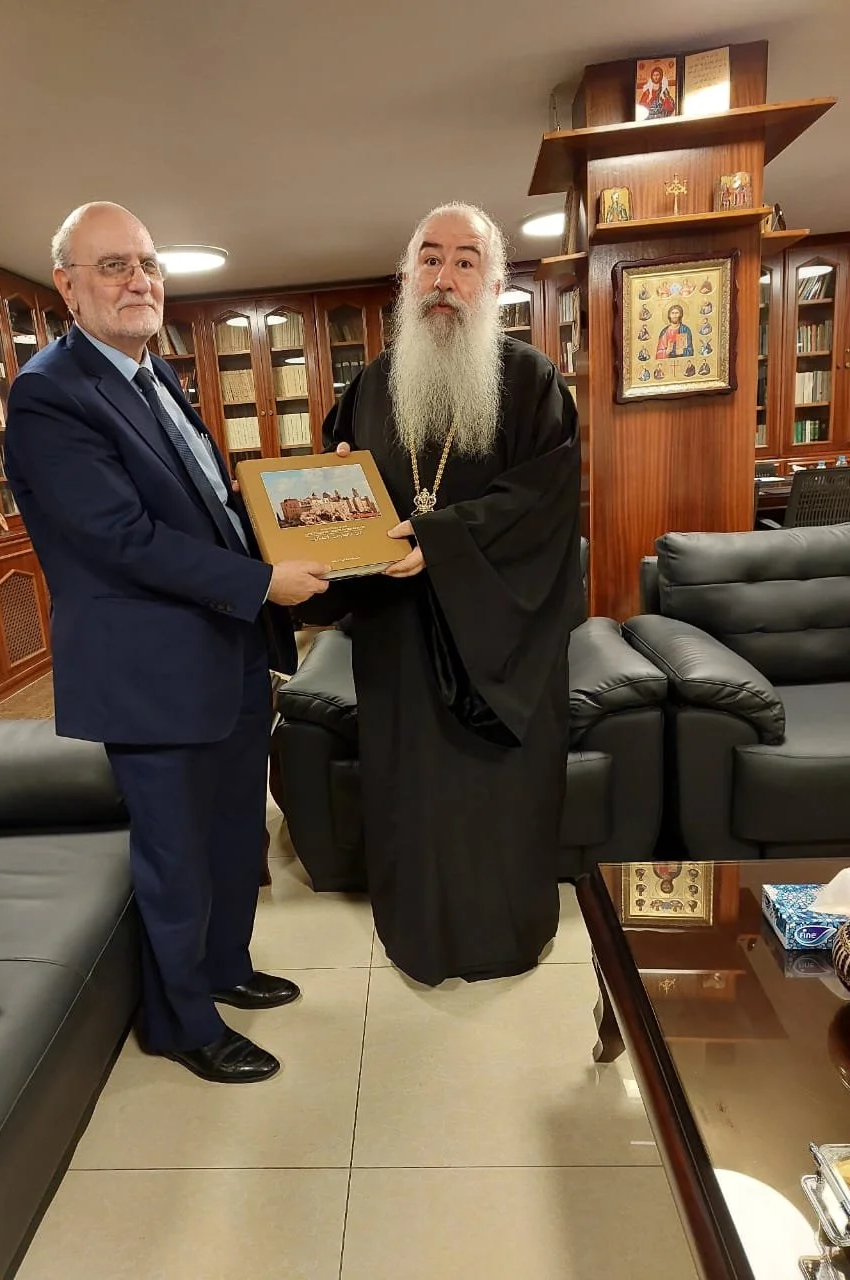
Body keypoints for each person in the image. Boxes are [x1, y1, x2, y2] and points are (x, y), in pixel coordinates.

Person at [5, 202, 330, 1083]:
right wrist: (263, 581)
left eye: (147, 263)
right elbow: (120, 538)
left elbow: (210, 509)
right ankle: (181, 1021)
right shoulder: (51, 393)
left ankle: (224, 968)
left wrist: (293, 534)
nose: (139, 280)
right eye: (113, 265)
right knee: (176, 857)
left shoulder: (154, 375)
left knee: (233, 835)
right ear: (67, 286)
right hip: (150, 671)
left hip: (223, 648)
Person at [307, 202, 581, 986]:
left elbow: (542, 503)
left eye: (466, 261)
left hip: (501, 641)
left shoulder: (531, 381)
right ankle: (417, 935)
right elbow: (340, 491)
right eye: (430, 259)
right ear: (407, 279)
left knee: (498, 800)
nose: (445, 278)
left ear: (493, 285)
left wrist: (442, 540)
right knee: (411, 798)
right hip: (395, 637)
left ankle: (505, 936)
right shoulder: (370, 386)